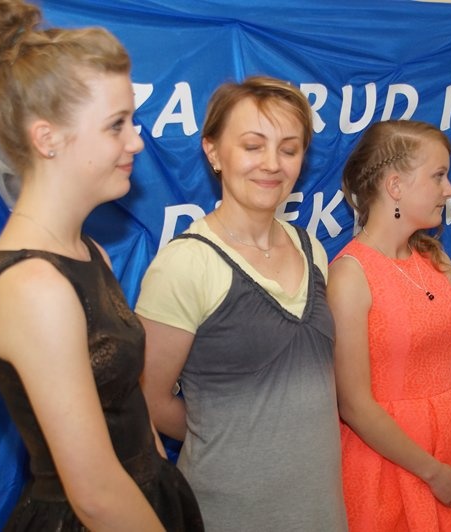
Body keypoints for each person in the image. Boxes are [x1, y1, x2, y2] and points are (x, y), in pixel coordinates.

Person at [0, 1, 203, 530]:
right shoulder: (34, 286)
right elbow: (95, 494)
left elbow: (125, 403)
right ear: (47, 138)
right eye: (116, 125)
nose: (136, 140)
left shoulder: (88, 252)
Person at [136, 76, 348, 531]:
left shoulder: (312, 249)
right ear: (213, 152)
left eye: (289, 149)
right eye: (253, 146)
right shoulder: (184, 264)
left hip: (320, 512)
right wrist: (226, 431)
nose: (272, 164)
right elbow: (147, 399)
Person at [327, 120, 451, 531]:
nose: (450, 190)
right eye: (438, 176)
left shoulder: (437, 262)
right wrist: (432, 472)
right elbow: (354, 404)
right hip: (390, 466)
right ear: (395, 186)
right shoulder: (350, 276)